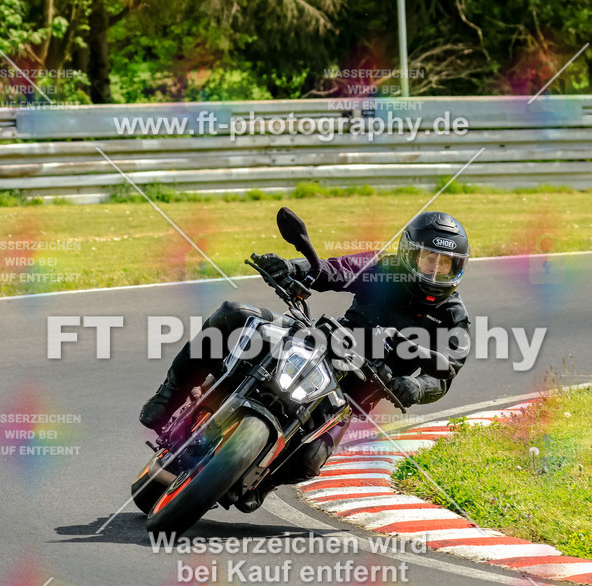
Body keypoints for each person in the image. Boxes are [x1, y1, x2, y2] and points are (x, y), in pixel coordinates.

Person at [138, 210, 471, 509]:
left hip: (351, 394)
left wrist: (415, 385)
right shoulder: (383, 270)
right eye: (430, 258)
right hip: (320, 344)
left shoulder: (453, 316)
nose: (436, 269)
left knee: (311, 460)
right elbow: (332, 270)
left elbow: (445, 372)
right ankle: (169, 396)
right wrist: (290, 269)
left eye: (446, 264)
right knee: (234, 314)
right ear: (410, 255)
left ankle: (262, 479)